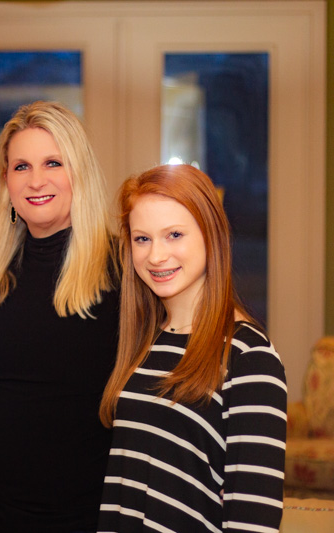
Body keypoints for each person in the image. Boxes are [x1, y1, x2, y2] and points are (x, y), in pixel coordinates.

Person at [97, 164, 287, 532]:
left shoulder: (249, 358)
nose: (155, 256)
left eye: (174, 235)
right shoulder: (143, 344)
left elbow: (254, 520)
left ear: (211, 235)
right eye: (142, 239)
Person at [0, 101, 119, 532]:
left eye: (53, 162)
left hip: (89, 517)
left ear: (79, 171)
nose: (36, 180)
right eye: (20, 166)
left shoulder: (123, 269)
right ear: (6, 181)